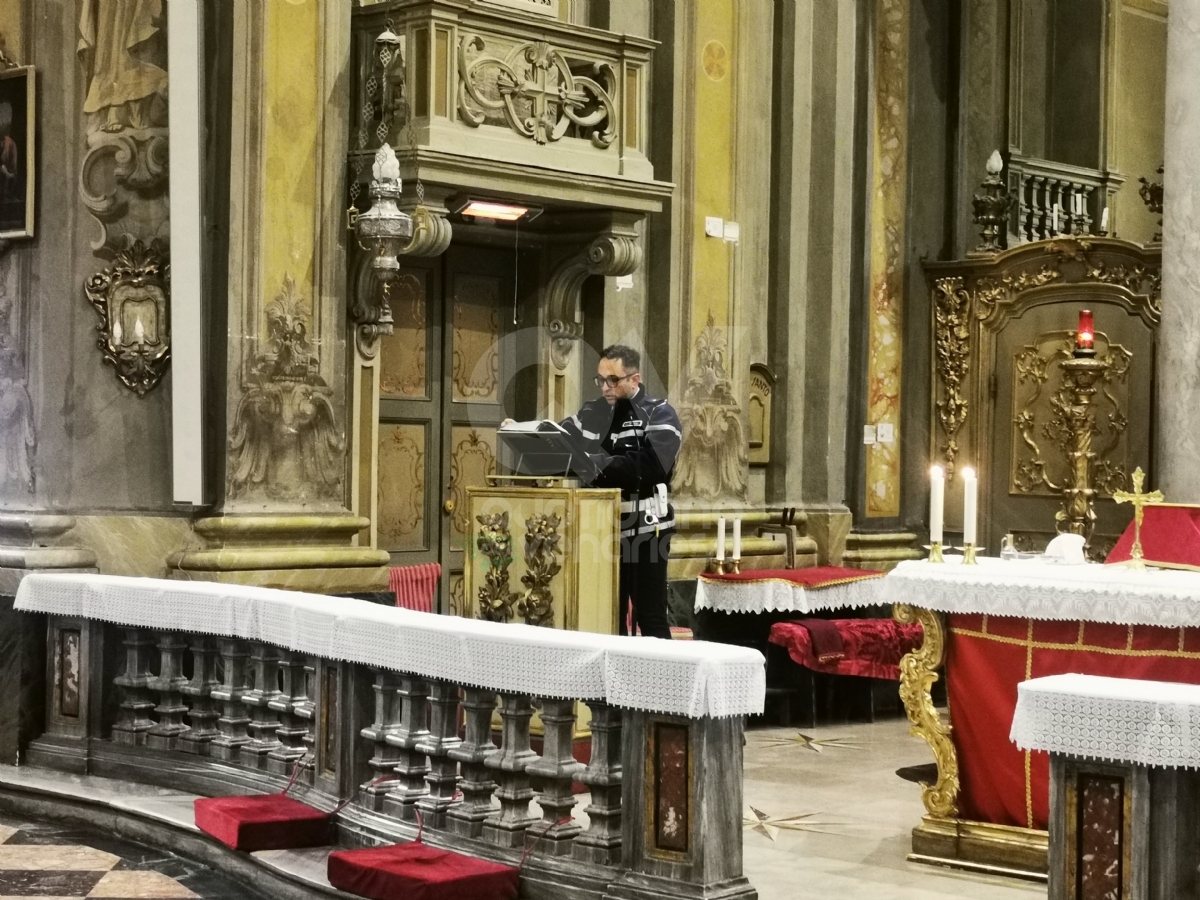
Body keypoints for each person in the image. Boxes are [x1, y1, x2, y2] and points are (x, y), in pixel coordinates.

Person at [560, 345, 681, 638]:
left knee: (650, 617)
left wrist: (593, 464)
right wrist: (527, 433)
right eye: (600, 379)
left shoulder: (659, 412)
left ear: (634, 379)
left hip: (646, 530)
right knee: (604, 616)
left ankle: (659, 683)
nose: (605, 387)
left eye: (612, 380)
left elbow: (650, 464)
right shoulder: (590, 412)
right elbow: (560, 441)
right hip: (598, 529)